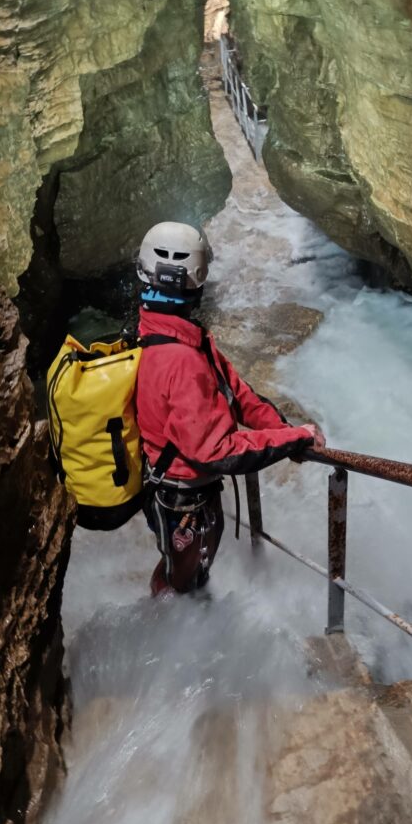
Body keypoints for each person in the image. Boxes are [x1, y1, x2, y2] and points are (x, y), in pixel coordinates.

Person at [135, 221, 325, 597]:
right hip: (182, 499)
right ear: (197, 278)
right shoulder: (181, 358)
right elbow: (216, 453)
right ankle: (170, 622)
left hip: (180, 493)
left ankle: (186, 612)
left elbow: (237, 394)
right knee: (181, 581)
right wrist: (293, 440)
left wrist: (286, 431)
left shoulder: (171, 334)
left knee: (184, 571)